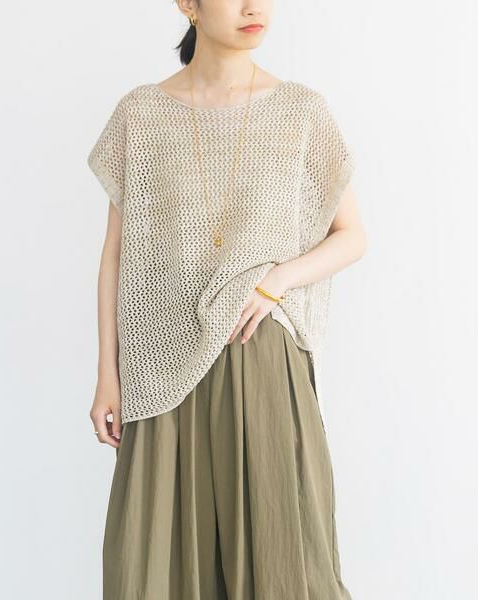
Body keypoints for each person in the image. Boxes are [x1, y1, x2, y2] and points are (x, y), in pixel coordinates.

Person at [87, 1, 367, 598]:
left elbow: (352, 237)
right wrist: (108, 374)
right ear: (188, 4)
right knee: (154, 566)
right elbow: (115, 254)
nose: (253, 6)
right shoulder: (141, 115)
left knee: (281, 560)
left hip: (261, 359)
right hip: (160, 368)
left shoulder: (301, 112)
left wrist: (279, 279)